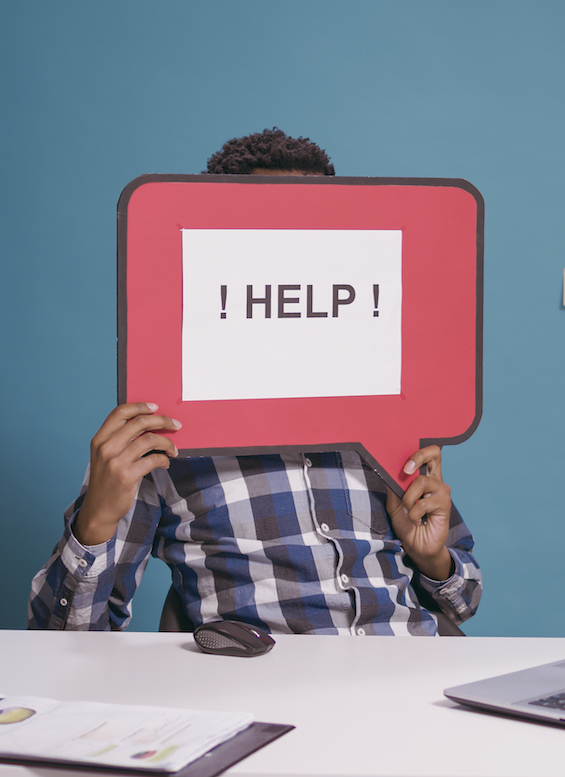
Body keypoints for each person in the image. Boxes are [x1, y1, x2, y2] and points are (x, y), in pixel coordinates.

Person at [29, 129, 481, 636]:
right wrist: (94, 525)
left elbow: (464, 600)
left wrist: (435, 558)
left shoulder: (387, 410)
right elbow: (63, 638)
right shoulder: (162, 436)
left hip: (409, 675)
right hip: (265, 688)